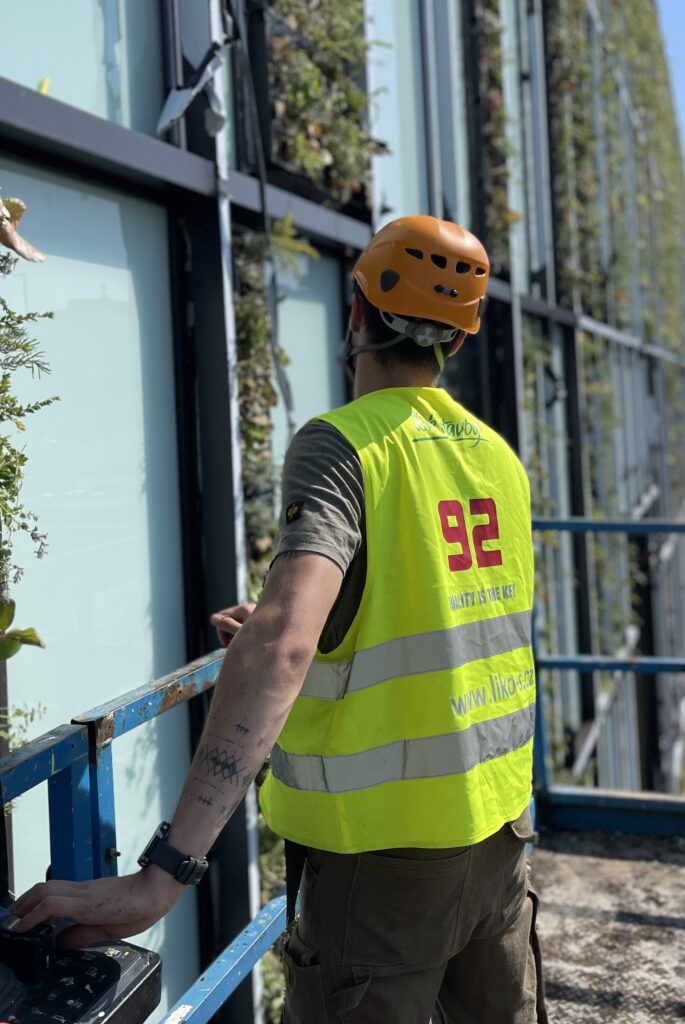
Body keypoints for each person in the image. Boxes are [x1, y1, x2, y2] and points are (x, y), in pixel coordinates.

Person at [12, 216, 543, 1024]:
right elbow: (444, 614)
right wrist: (322, 626)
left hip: (378, 864)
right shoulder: (495, 457)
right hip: (498, 837)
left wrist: (165, 872)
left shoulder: (342, 446)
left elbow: (284, 646)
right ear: (459, 340)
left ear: (356, 312)